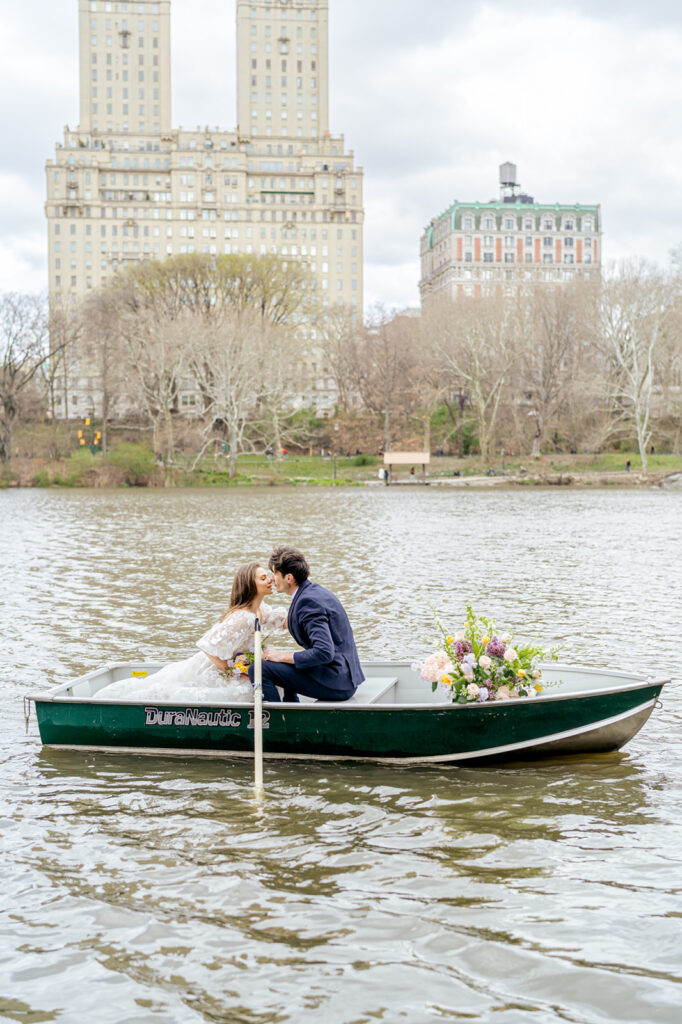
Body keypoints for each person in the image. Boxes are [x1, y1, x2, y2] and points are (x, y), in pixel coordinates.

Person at [98, 563, 287, 702]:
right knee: (246, 693)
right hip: (216, 668)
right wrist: (235, 672)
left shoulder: (262, 609)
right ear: (249, 585)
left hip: (240, 665)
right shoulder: (243, 618)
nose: (269, 580)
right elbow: (210, 648)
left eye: (268, 576)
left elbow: (284, 622)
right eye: (263, 578)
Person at [251, 546, 364, 703]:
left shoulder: (308, 602)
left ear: (289, 578)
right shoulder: (314, 592)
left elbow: (324, 652)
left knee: (258, 669)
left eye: (275, 573)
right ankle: (292, 709)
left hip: (338, 682)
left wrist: (281, 656)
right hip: (342, 676)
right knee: (285, 661)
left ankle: (277, 723)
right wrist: (283, 658)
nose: (272, 579)